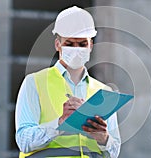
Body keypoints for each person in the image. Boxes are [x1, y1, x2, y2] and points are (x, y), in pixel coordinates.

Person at [15, 6, 121, 158]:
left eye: (82, 44)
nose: (77, 49)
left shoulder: (103, 92)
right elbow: (24, 140)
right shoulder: (34, 83)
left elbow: (114, 151)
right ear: (58, 44)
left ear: (91, 45)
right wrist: (60, 124)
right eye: (70, 44)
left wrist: (103, 138)